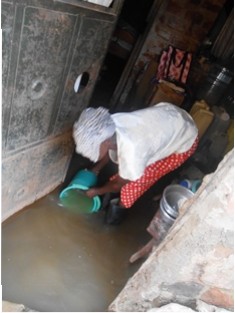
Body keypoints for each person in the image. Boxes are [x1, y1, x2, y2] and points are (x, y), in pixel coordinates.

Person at [73, 102, 199, 225]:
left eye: (93, 149)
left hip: (184, 138)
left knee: (135, 185)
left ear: (105, 142)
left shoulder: (133, 151)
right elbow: (108, 148)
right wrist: (96, 170)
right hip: (170, 118)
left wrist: (96, 192)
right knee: (131, 168)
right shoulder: (109, 124)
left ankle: (115, 216)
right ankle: (108, 199)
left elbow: (118, 185)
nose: (90, 155)